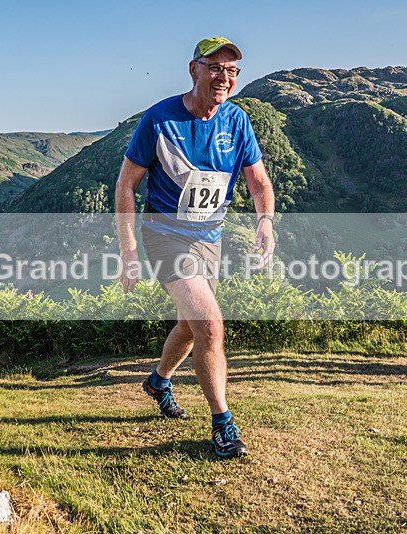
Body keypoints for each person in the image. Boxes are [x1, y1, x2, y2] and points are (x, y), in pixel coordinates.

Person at [115, 37, 275, 458]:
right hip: (164, 233)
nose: (225, 77)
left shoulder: (237, 121)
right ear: (195, 70)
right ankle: (223, 425)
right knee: (210, 325)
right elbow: (126, 184)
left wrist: (265, 221)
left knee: (190, 325)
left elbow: (258, 182)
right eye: (216, 67)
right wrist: (129, 250)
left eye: (232, 70)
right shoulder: (159, 119)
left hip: (210, 237)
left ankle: (159, 381)